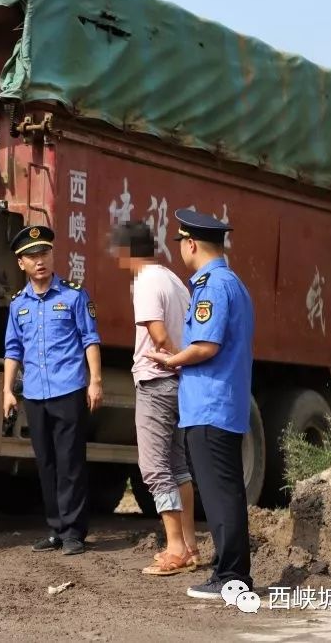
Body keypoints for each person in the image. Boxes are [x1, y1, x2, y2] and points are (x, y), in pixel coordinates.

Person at [145, 209, 255, 599]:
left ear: (191, 244)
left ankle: (230, 577)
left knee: (221, 493)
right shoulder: (233, 283)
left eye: (182, 244)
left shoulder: (211, 285)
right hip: (222, 403)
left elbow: (207, 345)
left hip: (210, 405)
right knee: (227, 491)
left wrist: (172, 359)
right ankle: (234, 572)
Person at [2, 225, 103, 556]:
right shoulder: (19, 305)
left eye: (44, 253)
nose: (39, 261)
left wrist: (96, 381)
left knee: (70, 461)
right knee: (45, 463)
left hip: (69, 389)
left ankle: (75, 531)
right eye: (32, 256)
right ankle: (56, 528)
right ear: (21, 264)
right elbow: (13, 349)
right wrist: (7, 391)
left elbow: (90, 339)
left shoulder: (73, 295)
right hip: (34, 393)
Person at [110, 221, 198, 576]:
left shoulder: (145, 281)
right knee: (178, 466)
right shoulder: (174, 280)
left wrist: (174, 359)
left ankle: (175, 548)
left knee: (154, 468)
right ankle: (190, 546)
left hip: (157, 381)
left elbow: (158, 335)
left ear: (126, 252)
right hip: (178, 384)